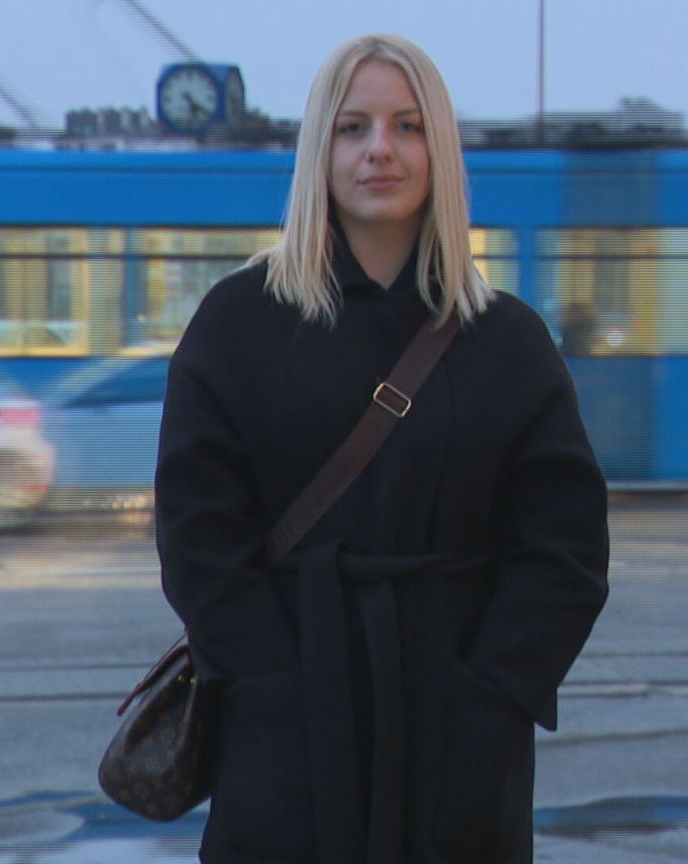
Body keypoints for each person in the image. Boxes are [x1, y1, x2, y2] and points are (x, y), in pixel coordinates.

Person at [153, 34, 610, 864]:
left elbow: (565, 548)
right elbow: (198, 536)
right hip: (286, 741)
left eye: (407, 126)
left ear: (440, 150)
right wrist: (274, 688)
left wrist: (490, 696)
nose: (380, 151)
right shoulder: (235, 325)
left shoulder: (506, 340)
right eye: (353, 127)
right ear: (318, 150)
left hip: (458, 742)